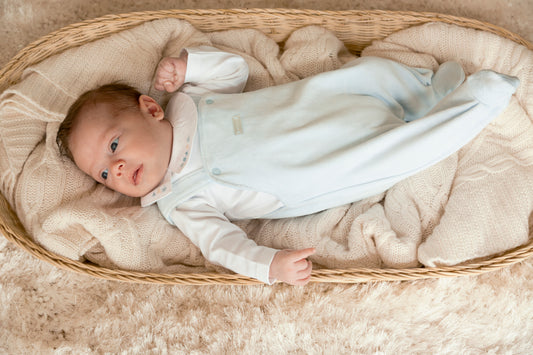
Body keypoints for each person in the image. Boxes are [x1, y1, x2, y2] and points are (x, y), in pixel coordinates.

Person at [56, 46, 519, 285]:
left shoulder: (186, 104)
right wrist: (267, 265)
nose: (115, 169)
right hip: (321, 167)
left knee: (363, 78)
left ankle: (427, 90)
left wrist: (188, 65)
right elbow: (221, 244)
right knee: (392, 156)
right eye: (102, 172)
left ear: (151, 110)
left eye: (114, 144)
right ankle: (471, 106)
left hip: (312, 108)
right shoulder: (179, 198)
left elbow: (233, 73)